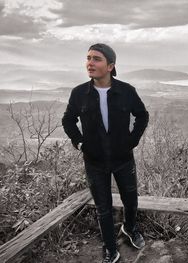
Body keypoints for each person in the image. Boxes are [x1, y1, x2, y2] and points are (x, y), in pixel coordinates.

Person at [62, 43, 149, 263]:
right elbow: (68, 120)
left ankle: (130, 228)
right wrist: (80, 143)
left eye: (97, 59)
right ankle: (111, 249)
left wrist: (132, 140)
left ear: (110, 65)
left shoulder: (126, 91)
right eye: (88, 58)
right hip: (94, 161)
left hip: (123, 159)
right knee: (103, 208)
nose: (90, 63)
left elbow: (142, 115)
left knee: (131, 199)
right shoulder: (79, 93)